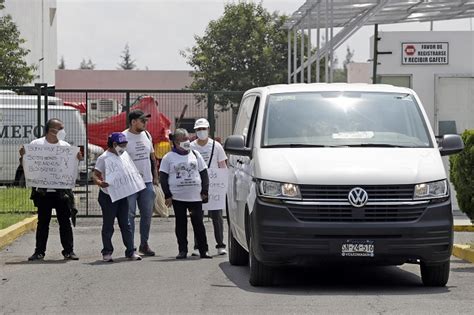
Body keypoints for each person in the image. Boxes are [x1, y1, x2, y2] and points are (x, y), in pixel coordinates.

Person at [20, 118, 82, 261]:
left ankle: (68, 251)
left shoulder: (66, 146)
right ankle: (39, 252)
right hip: (43, 192)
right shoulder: (36, 145)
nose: (63, 131)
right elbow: (27, 164)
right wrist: (23, 155)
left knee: (65, 222)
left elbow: (71, 167)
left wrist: (77, 158)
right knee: (43, 223)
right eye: (60, 128)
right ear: (51, 130)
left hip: (62, 193)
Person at [159, 128, 212, 259]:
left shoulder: (195, 154)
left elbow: (204, 173)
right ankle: (182, 250)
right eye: (183, 140)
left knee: (198, 223)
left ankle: (203, 250)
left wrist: (205, 191)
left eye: (187, 139)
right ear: (176, 142)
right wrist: (167, 195)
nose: (186, 142)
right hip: (178, 198)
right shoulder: (168, 157)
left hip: (195, 197)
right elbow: (163, 178)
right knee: (181, 224)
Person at [92, 132, 142, 262]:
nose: (124, 147)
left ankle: (131, 251)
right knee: (108, 225)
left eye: (125, 144)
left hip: (122, 194)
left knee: (126, 224)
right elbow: (95, 175)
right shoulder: (104, 158)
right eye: (122, 145)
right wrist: (100, 183)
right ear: (114, 144)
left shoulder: (124, 155)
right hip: (108, 196)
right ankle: (107, 252)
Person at [190, 118, 228, 256]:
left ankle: (220, 245)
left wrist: (224, 183)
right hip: (196, 185)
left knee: (217, 216)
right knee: (197, 216)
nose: (201, 132)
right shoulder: (191, 146)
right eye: (199, 129)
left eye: (203, 129)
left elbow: (222, 165)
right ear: (195, 131)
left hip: (214, 186)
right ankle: (197, 246)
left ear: (208, 129)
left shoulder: (216, 146)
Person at [123, 110, 158, 256]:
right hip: (130, 183)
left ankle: (144, 244)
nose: (145, 123)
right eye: (142, 120)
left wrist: (155, 177)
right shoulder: (123, 137)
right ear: (133, 122)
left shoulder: (147, 135)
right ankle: (130, 247)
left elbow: (152, 157)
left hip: (147, 182)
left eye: (146, 120)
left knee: (147, 214)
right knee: (130, 214)